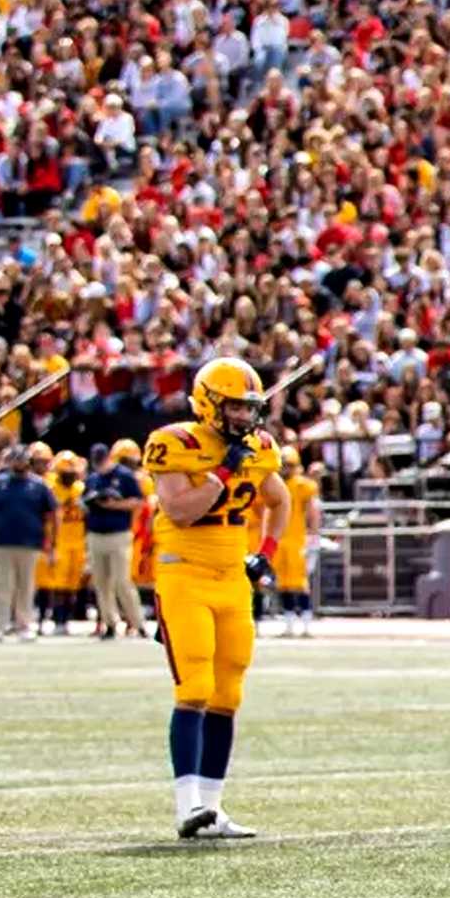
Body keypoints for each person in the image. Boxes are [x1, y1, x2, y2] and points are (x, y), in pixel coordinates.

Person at [144, 357, 289, 840]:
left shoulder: (260, 447)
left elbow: (279, 499)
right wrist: (223, 473)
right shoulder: (175, 442)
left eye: (250, 408)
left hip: (232, 575)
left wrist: (265, 553)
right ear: (208, 404)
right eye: (235, 407)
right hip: (183, 573)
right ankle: (186, 806)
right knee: (194, 686)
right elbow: (180, 511)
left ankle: (213, 807)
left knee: (228, 693)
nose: (245, 418)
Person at [0, 447, 54, 642]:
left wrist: (50, 541)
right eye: (15, 459)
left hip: (30, 543)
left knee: (26, 587)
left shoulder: (38, 485)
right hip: (2, 542)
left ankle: (24, 626)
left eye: (21, 459)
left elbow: (51, 515)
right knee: (3, 587)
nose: (18, 463)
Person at [272, 462, 322, 638]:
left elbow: (313, 512)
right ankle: (289, 624)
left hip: (297, 539)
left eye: (289, 465)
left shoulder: (303, 485)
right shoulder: (275, 483)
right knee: (283, 584)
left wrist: (314, 536)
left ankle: (307, 623)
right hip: (280, 539)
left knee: (300, 584)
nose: (285, 469)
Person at [43, 450, 88, 636]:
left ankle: (66, 619)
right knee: (58, 583)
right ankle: (57, 619)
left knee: (73, 584)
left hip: (78, 540)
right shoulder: (50, 487)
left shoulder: (81, 488)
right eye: (65, 472)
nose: (69, 475)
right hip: (59, 540)